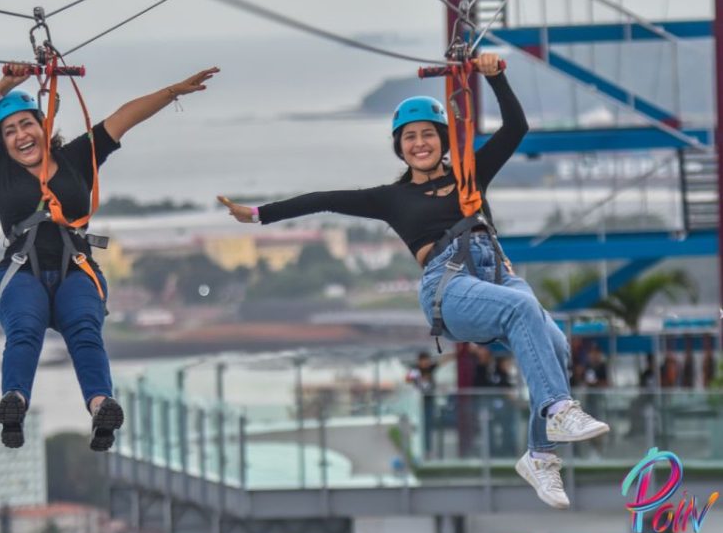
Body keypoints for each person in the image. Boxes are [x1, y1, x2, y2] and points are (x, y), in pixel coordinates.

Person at [217, 53, 608, 509]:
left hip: (497, 275)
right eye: (410, 138)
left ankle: (540, 456)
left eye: (427, 135)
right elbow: (323, 199)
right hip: (450, 286)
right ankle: (558, 411)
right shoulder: (391, 198)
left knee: (556, 344)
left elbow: (515, 128)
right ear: (400, 148)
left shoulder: (470, 175)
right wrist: (260, 215)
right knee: (524, 311)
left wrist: (496, 78)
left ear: (443, 140)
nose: (419, 143)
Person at [0, 63, 219, 451]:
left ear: (44, 126)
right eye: (9, 131)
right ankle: (15, 404)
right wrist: (6, 85)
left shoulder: (79, 157)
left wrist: (172, 91)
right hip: (21, 271)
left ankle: (100, 406)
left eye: (26, 125)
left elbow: (124, 118)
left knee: (84, 328)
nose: (20, 136)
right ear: (3, 143)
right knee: (24, 330)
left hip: (74, 269)